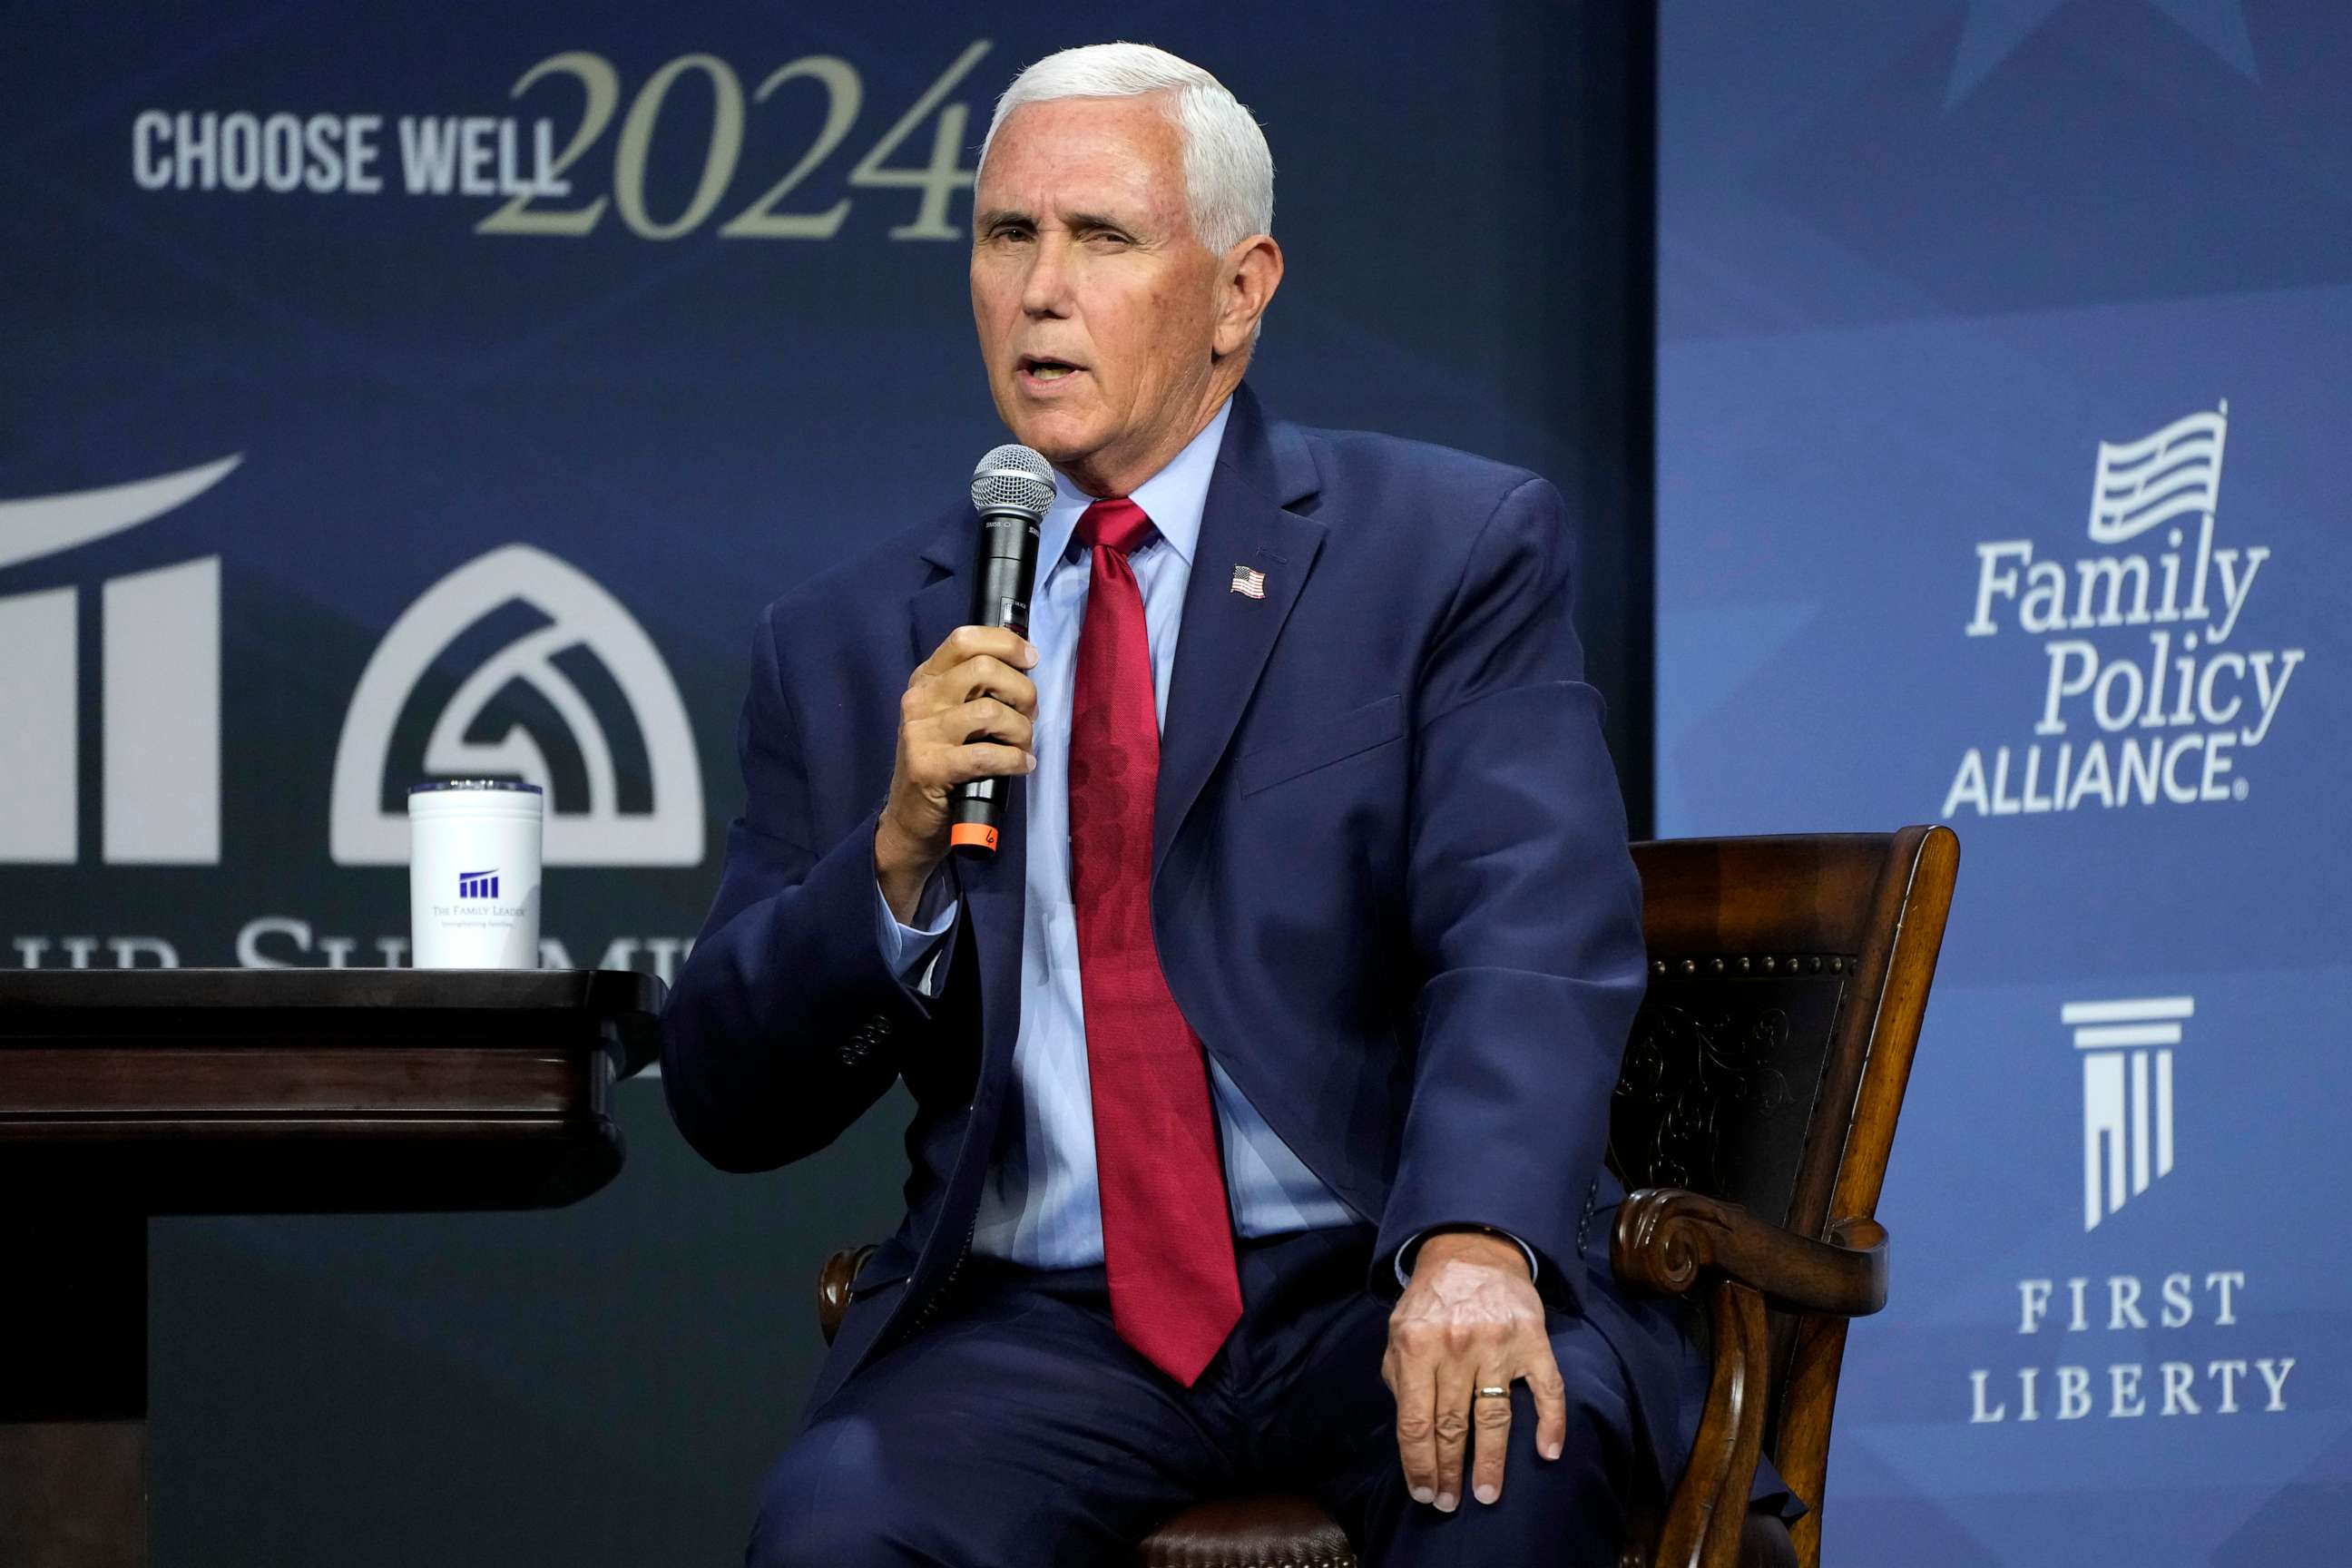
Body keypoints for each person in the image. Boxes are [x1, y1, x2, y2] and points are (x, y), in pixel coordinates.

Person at [662, 41, 1783, 1566]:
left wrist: (1471, 1242)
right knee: (837, 1532)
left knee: (1511, 1470)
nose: (1040, 289)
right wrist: (894, 859)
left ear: (1241, 291)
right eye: (1007, 237)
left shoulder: (1441, 551)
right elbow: (729, 1092)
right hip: (1041, 1326)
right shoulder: (853, 639)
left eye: (1102, 239)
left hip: (1376, 1267)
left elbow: (1527, 933)